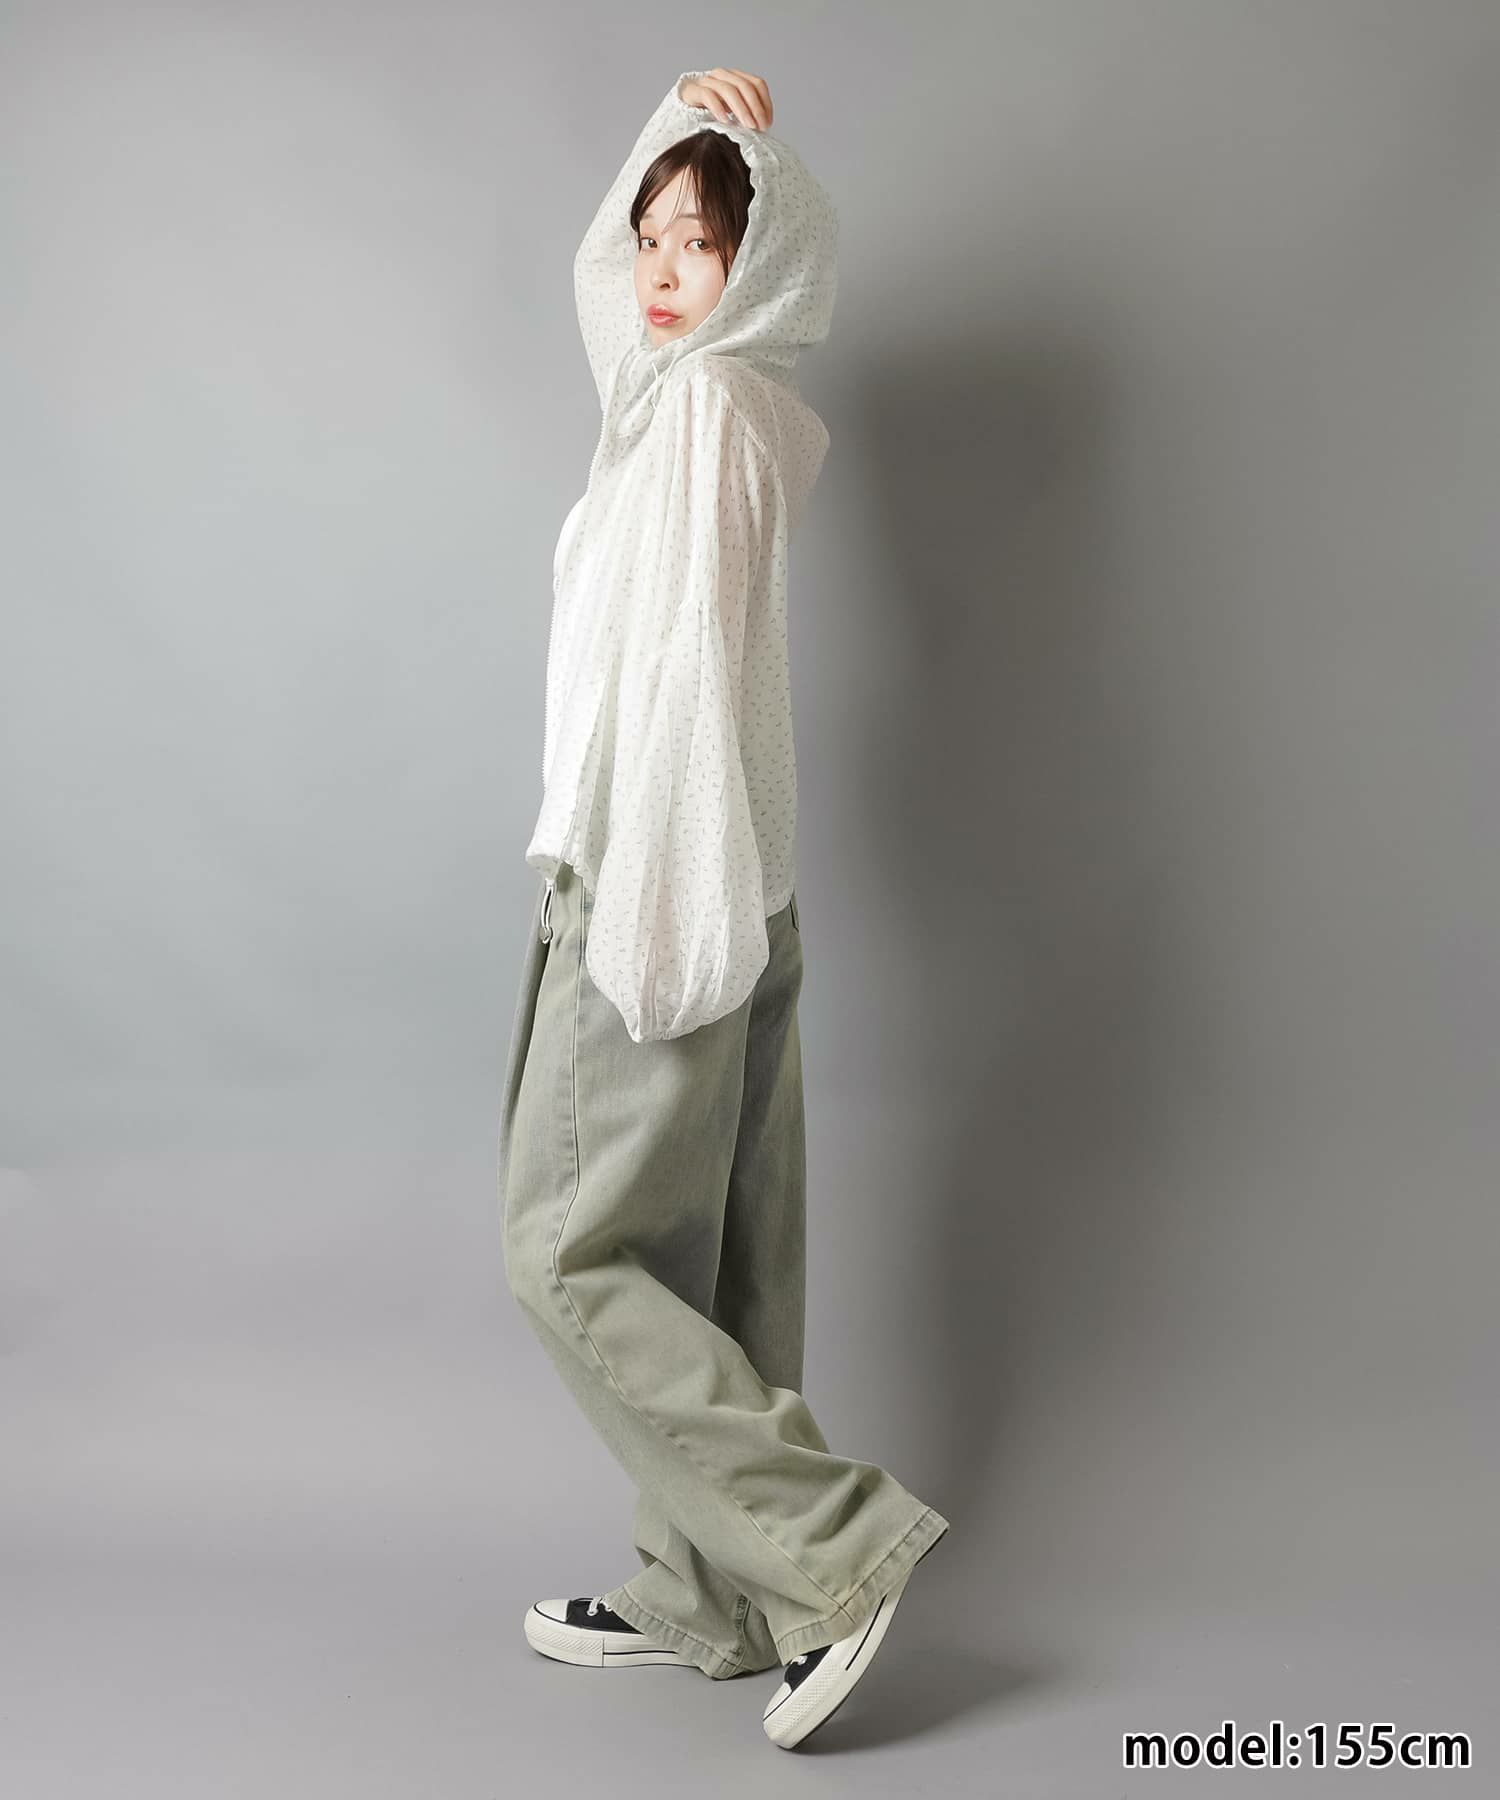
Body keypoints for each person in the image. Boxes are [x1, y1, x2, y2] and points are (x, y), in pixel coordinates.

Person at [497, 67, 950, 1751]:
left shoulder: (698, 417)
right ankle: (716, 1594)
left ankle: (834, 1552)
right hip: (736, 879)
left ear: (765, 260)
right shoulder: (708, 397)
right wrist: (672, 123)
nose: (661, 265)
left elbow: (683, 683)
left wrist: (648, 924)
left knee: (569, 1253)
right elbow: (598, 289)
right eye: (652, 235)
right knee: (710, 1264)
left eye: (704, 237)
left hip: (659, 882)